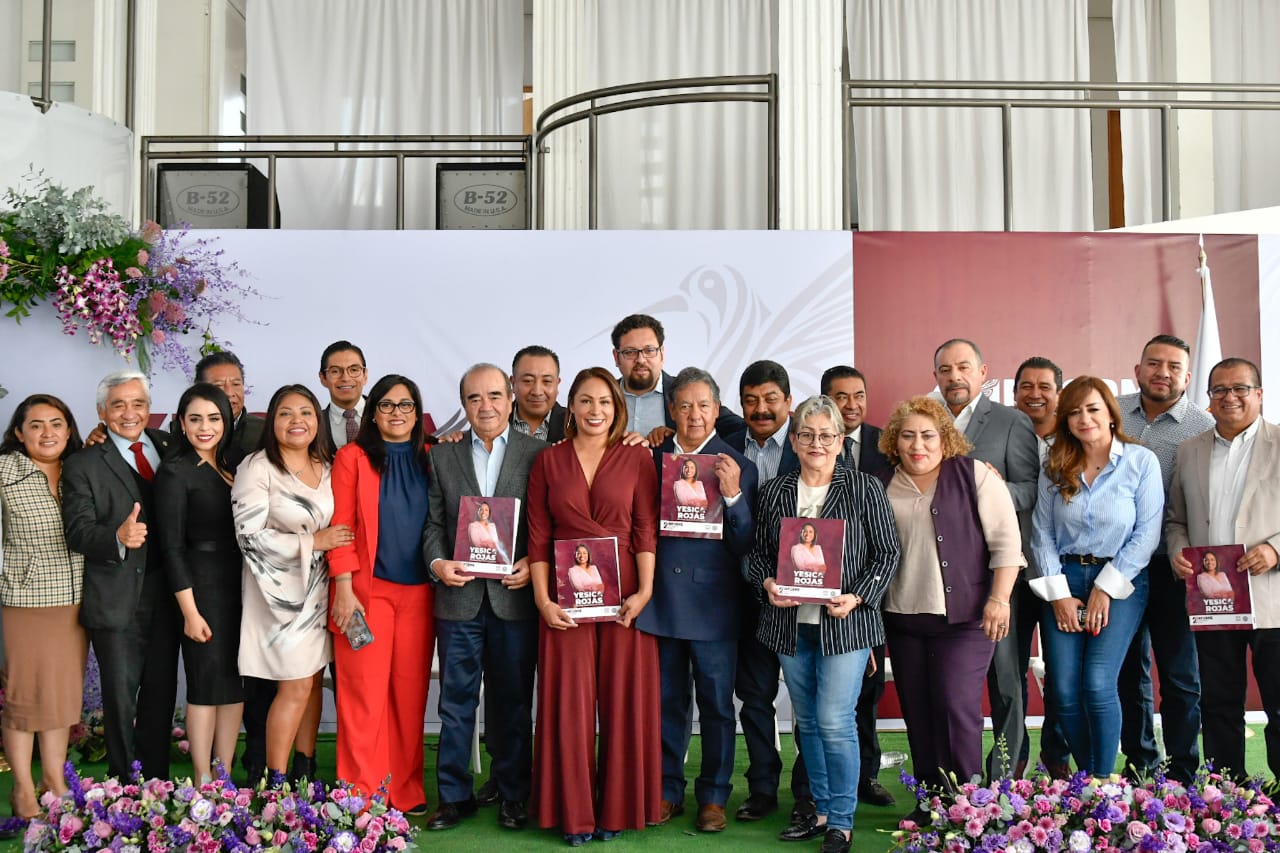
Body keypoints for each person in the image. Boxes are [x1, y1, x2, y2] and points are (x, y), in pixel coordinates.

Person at [746, 395, 900, 853]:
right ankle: (822, 810)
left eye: (827, 436)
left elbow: (887, 553)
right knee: (809, 723)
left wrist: (858, 596)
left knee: (835, 720)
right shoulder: (775, 491)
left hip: (845, 624)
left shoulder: (864, 488)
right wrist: (767, 583)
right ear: (794, 441)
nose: (817, 443)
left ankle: (843, 821)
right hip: (790, 624)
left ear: (840, 442)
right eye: (807, 435)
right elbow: (758, 555)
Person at [526, 366, 661, 844]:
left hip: (625, 596)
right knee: (569, 705)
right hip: (565, 600)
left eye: (604, 401)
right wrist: (542, 600)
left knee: (624, 702)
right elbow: (538, 536)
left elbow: (645, 528)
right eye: (585, 400)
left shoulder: (636, 458)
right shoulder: (548, 461)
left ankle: (616, 811)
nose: (595, 410)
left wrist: (645, 592)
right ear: (571, 407)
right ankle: (574, 814)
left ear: (617, 407)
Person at [875, 396, 1023, 798]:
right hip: (902, 620)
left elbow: (1007, 544)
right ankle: (931, 801)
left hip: (965, 620)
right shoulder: (881, 483)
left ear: (945, 438)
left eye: (927, 435)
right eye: (907, 435)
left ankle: (967, 805)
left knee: (957, 708)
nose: (917, 445)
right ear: (894, 440)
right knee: (918, 713)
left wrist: (999, 599)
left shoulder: (975, 475)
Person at [637, 367, 757, 834]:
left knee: (716, 705)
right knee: (667, 702)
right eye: (684, 405)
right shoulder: (650, 459)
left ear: (717, 409)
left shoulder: (738, 464)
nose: (694, 415)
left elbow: (746, 544)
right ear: (671, 410)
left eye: (703, 405)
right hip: (663, 600)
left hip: (715, 606)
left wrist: (733, 497)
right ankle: (667, 788)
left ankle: (713, 796)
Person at [423, 363, 543, 831]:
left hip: (515, 599)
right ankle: (455, 797)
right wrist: (438, 563)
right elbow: (433, 524)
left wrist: (533, 560)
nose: (485, 406)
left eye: (494, 395)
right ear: (464, 405)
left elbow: (548, 523)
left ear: (511, 399)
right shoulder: (442, 456)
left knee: (513, 701)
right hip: (459, 599)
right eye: (474, 398)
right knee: (455, 703)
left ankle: (514, 794)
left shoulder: (540, 454)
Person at [1030, 377, 1162, 776]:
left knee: (1099, 682)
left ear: (1111, 414)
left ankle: (1102, 781)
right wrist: (1058, 595)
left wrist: (1106, 588)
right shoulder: (1055, 464)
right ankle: (1088, 781)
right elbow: (1042, 533)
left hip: (1122, 581)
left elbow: (1147, 534)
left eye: (1092, 409)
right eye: (1074, 412)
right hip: (1064, 579)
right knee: (1063, 689)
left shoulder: (1141, 461)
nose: (1084, 418)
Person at [62, 370, 180, 781]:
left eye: (138, 404)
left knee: (160, 695)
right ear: (102, 412)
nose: (129, 413)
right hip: (116, 596)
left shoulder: (169, 445)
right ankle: (123, 788)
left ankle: (158, 784)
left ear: (150, 409)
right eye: (118, 405)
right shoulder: (82, 463)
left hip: (168, 594)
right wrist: (117, 537)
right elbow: (77, 531)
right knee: (120, 700)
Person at [1166, 357, 1280, 781]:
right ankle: (1226, 790)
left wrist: (1276, 550)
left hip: (1272, 598)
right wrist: (1177, 551)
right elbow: (1175, 519)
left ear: (1259, 395)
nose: (1230, 397)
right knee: (1218, 703)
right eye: (1220, 390)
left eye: (1240, 388)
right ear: (1208, 398)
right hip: (1213, 603)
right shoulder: (1189, 450)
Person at [325, 374, 435, 812]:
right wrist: (343, 587)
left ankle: (404, 790)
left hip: (420, 597)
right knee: (362, 696)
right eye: (386, 405)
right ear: (372, 413)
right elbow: (341, 526)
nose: (396, 413)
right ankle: (361, 796)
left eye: (406, 405)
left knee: (409, 697)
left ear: (417, 412)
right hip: (364, 595)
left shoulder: (432, 457)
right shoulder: (352, 458)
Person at [933, 338, 1040, 779]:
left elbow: (1030, 490)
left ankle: (1004, 776)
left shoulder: (1012, 422)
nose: (954, 376)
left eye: (963, 367)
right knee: (949, 684)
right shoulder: (925, 420)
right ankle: (952, 776)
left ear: (982, 373)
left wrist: (991, 490)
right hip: (941, 575)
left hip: (997, 574)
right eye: (945, 369)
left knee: (1005, 680)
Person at [233, 384, 351, 783]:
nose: (296, 420)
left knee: (313, 681)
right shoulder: (257, 467)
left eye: (305, 412)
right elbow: (248, 536)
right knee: (296, 686)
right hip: (279, 598)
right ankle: (276, 782)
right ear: (272, 421)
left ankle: (305, 769)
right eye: (286, 413)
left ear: (318, 421)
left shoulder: (328, 465)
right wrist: (313, 541)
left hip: (321, 591)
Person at [1115, 335, 1214, 782]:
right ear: (1138, 370)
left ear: (1187, 377)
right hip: (1120, 567)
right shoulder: (1112, 413)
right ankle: (1141, 764)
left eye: (1174, 366)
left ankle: (1182, 773)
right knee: (1127, 672)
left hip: (1177, 566)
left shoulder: (1204, 427)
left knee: (1180, 676)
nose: (1163, 372)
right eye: (1154, 363)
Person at [722, 359, 812, 825]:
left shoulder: (811, 445)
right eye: (751, 400)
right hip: (746, 596)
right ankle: (762, 787)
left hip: (801, 598)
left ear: (788, 402)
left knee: (805, 702)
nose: (761, 409)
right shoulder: (725, 445)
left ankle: (807, 792)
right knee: (754, 697)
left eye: (771, 399)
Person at [0, 394, 87, 817]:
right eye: (36, 425)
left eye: (56, 424)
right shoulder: (5, 471)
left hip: (76, 600)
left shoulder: (80, 469)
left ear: (69, 431)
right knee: (25, 696)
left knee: (60, 696)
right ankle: (22, 788)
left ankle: (54, 779)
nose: (47, 433)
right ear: (19, 433)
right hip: (26, 601)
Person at [155, 384, 245, 784]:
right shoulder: (175, 472)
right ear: (181, 422)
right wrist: (190, 612)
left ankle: (224, 774)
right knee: (205, 684)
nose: (204, 427)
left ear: (226, 421)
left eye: (213, 418)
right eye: (195, 419)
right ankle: (202, 776)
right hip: (200, 588)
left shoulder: (237, 462)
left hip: (241, 586)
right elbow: (171, 549)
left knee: (234, 684)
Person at [821, 365, 895, 806]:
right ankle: (816, 787)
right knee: (821, 701)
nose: (851, 405)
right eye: (841, 396)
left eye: (858, 395)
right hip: (816, 591)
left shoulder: (890, 445)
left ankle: (866, 774)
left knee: (868, 689)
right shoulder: (808, 443)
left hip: (871, 589)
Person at [1011, 355, 1070, 777]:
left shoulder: (1076, 439)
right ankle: (1013, 759)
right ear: (1014, 393)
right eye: (1026, 386)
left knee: (1062, 675)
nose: (1035, 394)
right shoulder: (999, 433)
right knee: (1009, 674)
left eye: (1044, 386)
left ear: (1059, 395)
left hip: (1061, 575)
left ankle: (1057, 757)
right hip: (1010, 574)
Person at [609, 314, 744, 445]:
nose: (640, 360)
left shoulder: (684, 392)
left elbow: (742, 430)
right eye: (630, 352)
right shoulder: (605, 394)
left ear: (662, 354)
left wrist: (679, 440)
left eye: (649, 350)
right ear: (616, 357)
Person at [319, 340, 369, 455]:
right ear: (323, 378)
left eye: (354, 370)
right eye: (335, 371)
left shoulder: (385, 416)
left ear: (365, 375)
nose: (345, 378)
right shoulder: (314, 423)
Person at [511, 345, 567, 442]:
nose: (537, 392)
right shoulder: (493, 421)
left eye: (547, 381)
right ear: (513, 383)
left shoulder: (575, 425)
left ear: (557, 384)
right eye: (528, 381)